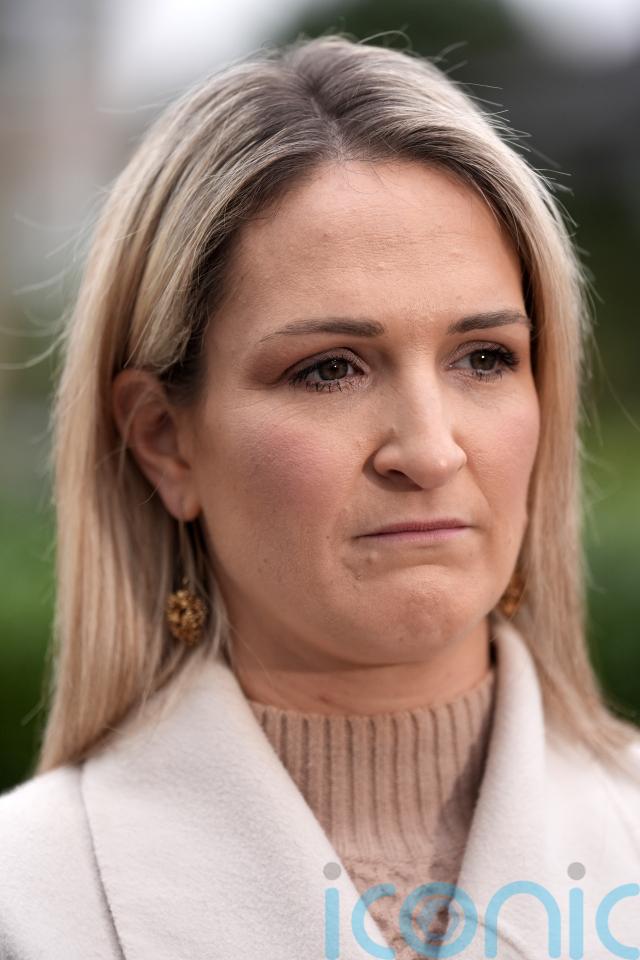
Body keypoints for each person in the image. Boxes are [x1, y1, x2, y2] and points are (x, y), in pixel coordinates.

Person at [1, 33, 639, 960]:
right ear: (164, 440)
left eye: (484, 358)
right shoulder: (26, 906)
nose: (430, 451)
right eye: (329, 368)